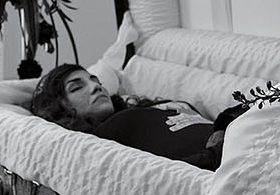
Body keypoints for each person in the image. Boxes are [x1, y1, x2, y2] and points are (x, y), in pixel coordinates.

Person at [29, 63, 240, 170]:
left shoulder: (151, 106)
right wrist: (220, 153)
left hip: (243, 137)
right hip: (231, 160)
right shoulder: (104, 138)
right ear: (61, 108)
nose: (95, 87)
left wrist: (224, 127)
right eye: (77, 88)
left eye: (96, 80)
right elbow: (163, 175)